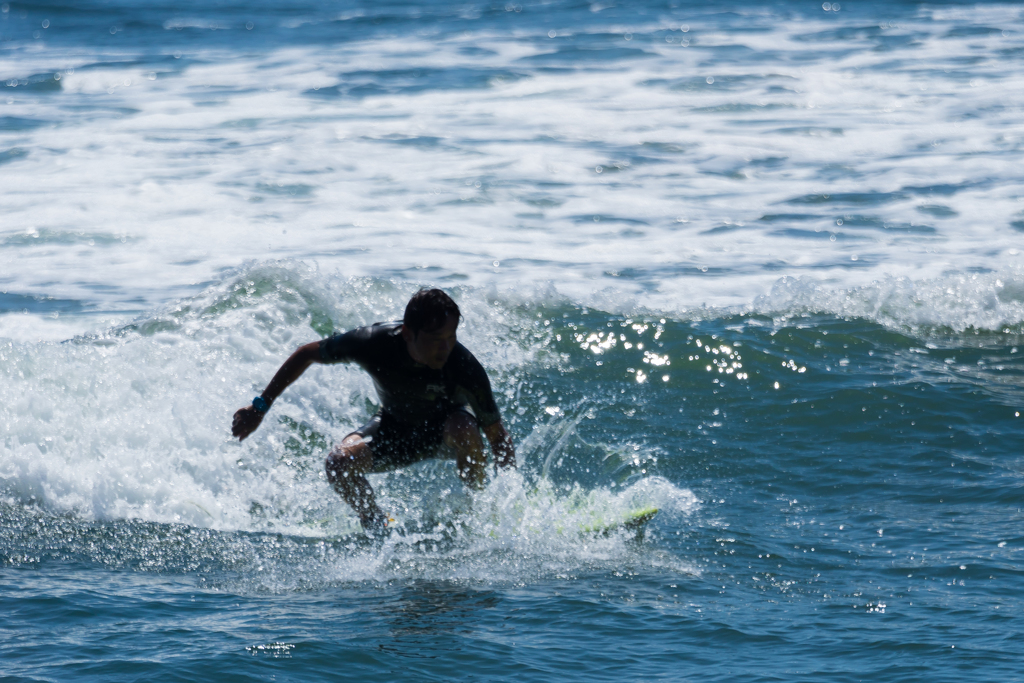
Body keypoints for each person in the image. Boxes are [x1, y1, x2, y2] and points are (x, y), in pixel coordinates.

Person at [231, 288, 515, 534]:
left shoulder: (464, 366)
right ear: (407, 333)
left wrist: (509, 503)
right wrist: (261, 406)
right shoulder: (372, 342)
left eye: (451, 337)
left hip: (447, 433)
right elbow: (307, 353)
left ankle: (478, 513)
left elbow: (497, 436)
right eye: (434, 338)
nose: (445, 348)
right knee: (338, 462)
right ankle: (377, 524)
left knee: (463, 428)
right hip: (395, 429)